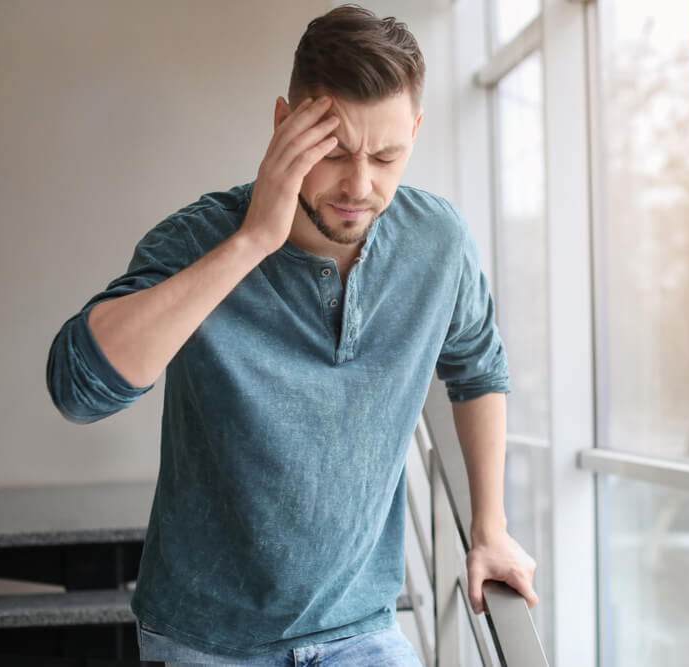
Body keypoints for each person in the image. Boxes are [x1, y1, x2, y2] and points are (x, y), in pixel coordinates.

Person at [46, 5, 538, 665]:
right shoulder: (200, 238)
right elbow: (80, 389)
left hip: (362, 630)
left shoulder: (437, 241)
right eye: (334, 152)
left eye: (387, 155)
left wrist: (491, 526)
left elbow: (477, 369)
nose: (359, 185)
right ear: (285, 125)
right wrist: (254, 239)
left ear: (415, 133)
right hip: (204, 639)